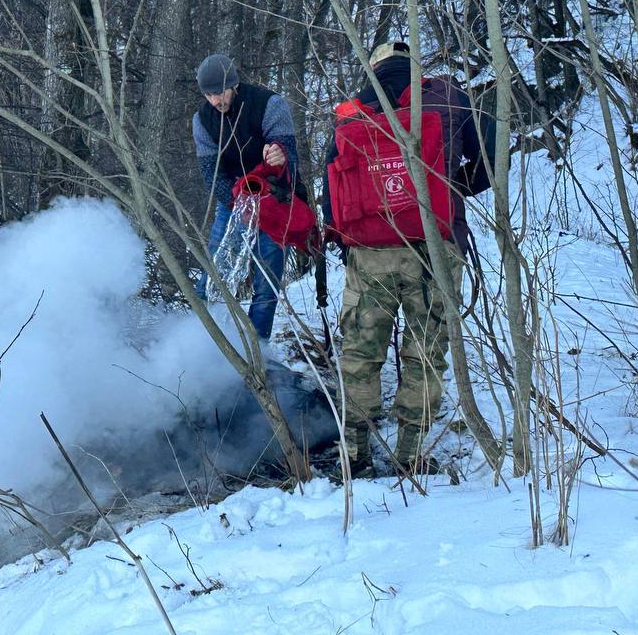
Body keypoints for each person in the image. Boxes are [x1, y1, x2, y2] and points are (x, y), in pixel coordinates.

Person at [321, 42, 494, 475]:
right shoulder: (449, 97)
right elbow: (493, 156)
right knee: (425, 351)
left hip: (370, 255)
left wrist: (347, 245)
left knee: (361, 353)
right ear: (416, 66)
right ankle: (410, 455)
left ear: (374, 67)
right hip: (434, 249)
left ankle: (354, 455)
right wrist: (451, 190)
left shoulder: (353, 111)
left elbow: (332, 189)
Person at [192, 53, 299, 339]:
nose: (215, 100)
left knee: (267, 283)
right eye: (208, 95)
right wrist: (238, 203)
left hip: (276, 201)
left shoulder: (269, 104)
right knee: (213, 276)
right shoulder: (202, 120)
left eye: (219, 92)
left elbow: (290, 156)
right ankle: (201, 343)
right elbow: (211, 174)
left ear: (234, 84)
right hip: (232, 203)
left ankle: (257, 349)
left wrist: (279, 155)